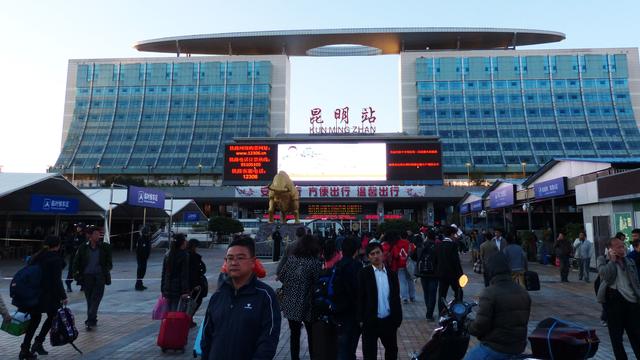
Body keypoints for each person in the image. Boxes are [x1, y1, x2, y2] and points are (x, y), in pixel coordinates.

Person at [200, 236, 281, 360]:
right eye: (230, 258)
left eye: (240, 258)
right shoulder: (218, 296)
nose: (234, 262)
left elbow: (268, 341)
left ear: (253, 262)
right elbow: (206, 337)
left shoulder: (265, 296)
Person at [465, 252, 532, 360]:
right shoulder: (522, 291)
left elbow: (479, 327)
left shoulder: (489, 293)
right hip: (518, 346)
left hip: (496, 347)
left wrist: (466, 324)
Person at [19, 236, 68, 360]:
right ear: (57, 245)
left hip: (34, 294)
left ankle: (25, 349)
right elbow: (57, 281)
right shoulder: (55, 259)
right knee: (53, 317)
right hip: (48, 295)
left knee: (35, 320)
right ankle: (38, 342)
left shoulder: (36, 257)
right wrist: (63, 296)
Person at [277, 234, 322, 360]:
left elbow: (281, 276)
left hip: (291, 302)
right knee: (311, 335)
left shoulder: (292, 259)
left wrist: (291, 284)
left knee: (294, 334)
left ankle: (294, 358)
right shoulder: (314, 262)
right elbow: (318, 281)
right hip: (308, 303)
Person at [596, 237, 640, 359]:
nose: (622, 249)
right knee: (616, 338)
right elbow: (606, 276)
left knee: (636, 335)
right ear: (610, 249)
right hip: (614, 303)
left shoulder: (629, 261)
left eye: (623, 246)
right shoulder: (602, 260)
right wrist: (612, 261)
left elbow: (635, 281)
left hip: (632, 302)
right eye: (619, 247)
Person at [357, 242, 402, 360]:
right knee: (370, 354)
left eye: (378, 252)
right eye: (372, 254)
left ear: (383, 254)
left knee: (392, 351)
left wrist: (397, 319)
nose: (376, 256)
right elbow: (360, 298)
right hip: (370, 321)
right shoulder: (363, 274)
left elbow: (396, 297)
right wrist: (361, 319)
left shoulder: (392, 274)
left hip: (388, 320)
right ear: (368, 257)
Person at [73, 226, 112, 331]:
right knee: (89, 299)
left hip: (100, 277)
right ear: (90, 236)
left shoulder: (104, 247)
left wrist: (106, 269)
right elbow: (76, 262)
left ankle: (90, 319)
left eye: (98, 234)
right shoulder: (83, 248)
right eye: (95, 234)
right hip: (87, 277)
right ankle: (92, 319)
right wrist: (76, 274)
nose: (98, 236)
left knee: (96, 298)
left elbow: (109, 262)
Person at [334, 236, 363, 360]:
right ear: (356, 250)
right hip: (352, 312)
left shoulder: (337, 265)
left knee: (342, 346)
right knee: (350, 347)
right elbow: (359, 290)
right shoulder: (356, 266)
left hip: (338, 311)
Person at [434, 225, 463, 315]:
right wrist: (460, 274)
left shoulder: (438, 245)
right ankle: (458, 311)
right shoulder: (452, 245)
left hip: (441, 274)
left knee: (442, 295)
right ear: (451, 234)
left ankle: (441, 314)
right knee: (458, 292)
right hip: (453, 274)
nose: (456, 236)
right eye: (455, 234)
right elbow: (456, 261)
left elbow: (436, 260)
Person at [161, 233, 190, 312]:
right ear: (182, 242)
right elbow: (184, 275)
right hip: (178, 291)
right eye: (185, 240)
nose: (186, 242)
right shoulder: (184, 255)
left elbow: (164, 273)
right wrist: (185, 291)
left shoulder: (167, 254)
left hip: (167, 289)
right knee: (176, 314)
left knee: (167, 314)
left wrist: (163, 289)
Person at [416, 229, 439, 321]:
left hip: (423, 273)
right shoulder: (437, 246)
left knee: (426, 293)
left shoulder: (422, 246)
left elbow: (415, 256)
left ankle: (428, 311)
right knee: (432, 294)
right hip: (434, 273)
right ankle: (429, 314)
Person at [392, 231, 416, 303]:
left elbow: (395, 255)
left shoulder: (396, 244)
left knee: (402, 281)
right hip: (408, 265)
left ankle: (404, 298)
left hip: (400, 264)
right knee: (410, 280)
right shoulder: (410, 244)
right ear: (407, 236)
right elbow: (414, 253)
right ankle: (412, 297)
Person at [187, 239, 207, 321]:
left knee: (194, 301)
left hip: (192, 282)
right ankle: (188, 318)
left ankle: (188, 318)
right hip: (194, 284)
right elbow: (193, 271)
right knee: (195, 301)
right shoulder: (192, 256)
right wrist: (195, 284)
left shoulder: (190, 255)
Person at [64, 223, 85, 292]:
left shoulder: (84, 236)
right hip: (74, 256)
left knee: (82, 270)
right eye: (77, 227)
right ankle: (68, 284)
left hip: (82, 257)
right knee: (72, 271)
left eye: (80, 227)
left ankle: (82, 285)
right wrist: (73, 247)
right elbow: (67, 244)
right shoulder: (73, 235)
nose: (78, 228)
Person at [135, 224, 152, 291]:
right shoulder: (141, 239)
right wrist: (144, 256)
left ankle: (140, 283)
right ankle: (138, 285)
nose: (149, 233)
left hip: (144, 258)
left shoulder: (146, 239)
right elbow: (140, 249)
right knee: (140, 271)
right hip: (141, 258)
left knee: (143, 272)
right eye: (148, 231)